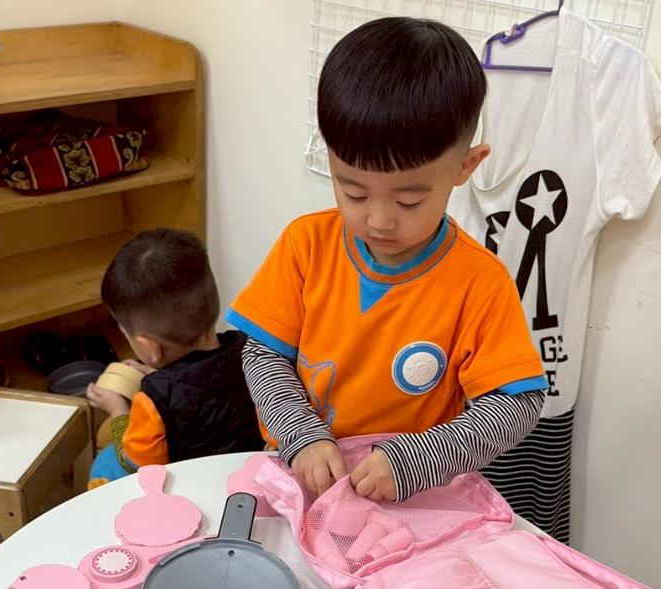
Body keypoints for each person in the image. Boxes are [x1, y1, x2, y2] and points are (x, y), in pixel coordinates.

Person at [227, 17, 547, 502]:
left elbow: (516, 405)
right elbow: (263, 353)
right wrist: (302, 434)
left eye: (409, 200)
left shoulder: (480, 283)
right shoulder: (304, 245)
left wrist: (419, 458)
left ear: (465, 166)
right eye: (353, 192)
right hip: (301, 476)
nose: (378, 221)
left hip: (407, 496)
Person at [86, 228, 262, 485]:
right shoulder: (251, 349)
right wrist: (162, 378)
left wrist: (118, 410)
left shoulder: (152, 401)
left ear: (149, 347)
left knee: (106, 462)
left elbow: (134, 464)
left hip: (191, 486)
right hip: (249, 470)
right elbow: (205, 384)